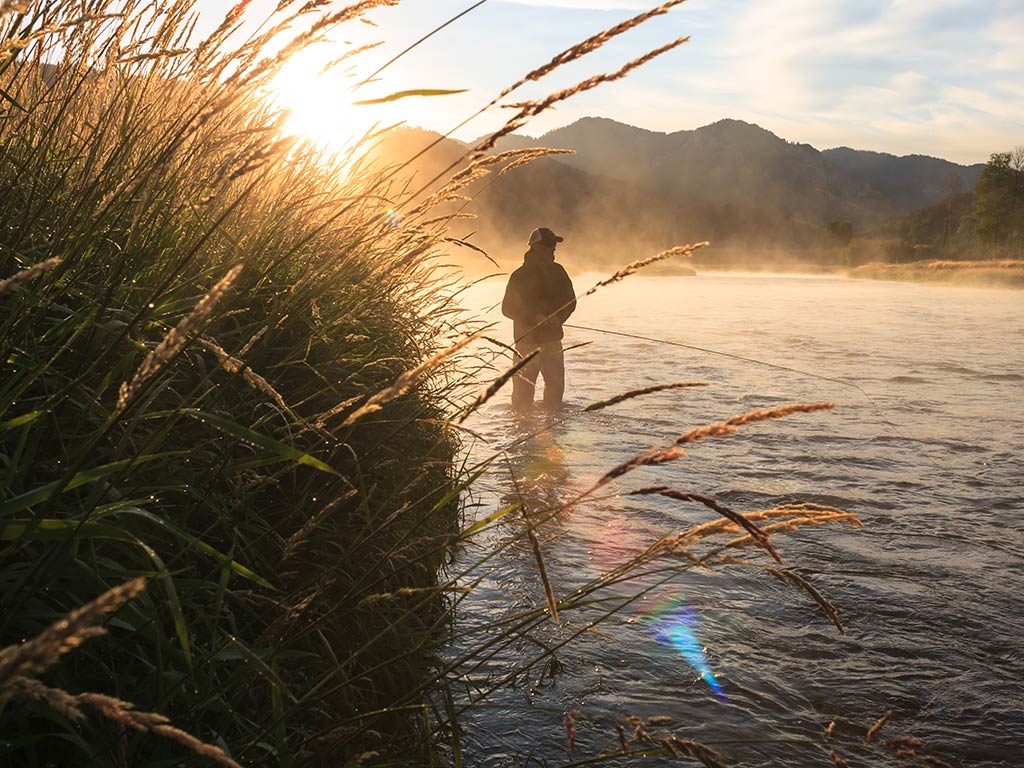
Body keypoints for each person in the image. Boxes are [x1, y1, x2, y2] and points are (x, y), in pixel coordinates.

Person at [501, 227, 576, 411]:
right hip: (526, 343)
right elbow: (507, 308)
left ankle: (553, 432)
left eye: (553, 244)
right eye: (548, 244)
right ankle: (523, 433)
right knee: (522, 396)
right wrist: (535, 317)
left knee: (555, 393)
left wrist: (558, 318)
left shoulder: (559, 272)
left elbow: (571, 301)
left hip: (552, 342)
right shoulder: (519, 275)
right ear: (534, 247)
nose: (552, 248)